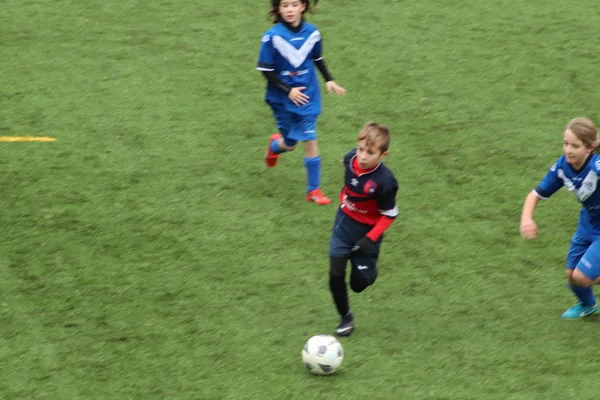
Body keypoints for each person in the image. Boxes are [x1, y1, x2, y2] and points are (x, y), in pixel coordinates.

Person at [256, 0, 347, 205]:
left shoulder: (313, 33)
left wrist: (329, 80)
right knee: (289, 144)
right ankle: (274, 146)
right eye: (285, 5)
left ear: (303, 6)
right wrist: (288, 91)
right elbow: (266, 70)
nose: (289, 9)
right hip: (281, 97)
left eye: (294, 4)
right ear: (278, 9)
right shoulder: (272, 37)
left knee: (309, 136)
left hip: (308, 95)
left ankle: (313, 190)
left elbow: (317, 58)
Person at [520, 117, 600, 318]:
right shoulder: (563, 167)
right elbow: (535, 194)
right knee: (571, 275)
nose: (568, 150)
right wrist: (526, 219)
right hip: (588, 223)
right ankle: (588, 306)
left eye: (575, 145)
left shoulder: (596, 166)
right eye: (566, 144)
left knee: (581, 277)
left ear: (589, 148)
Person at [328, 122, 398, 336]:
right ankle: (345, 318)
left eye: (370, 152)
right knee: (335, 272)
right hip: (343, 223)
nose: (363, 156)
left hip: (367, 233)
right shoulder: (350, 159)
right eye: (360, 149)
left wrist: (370, 239)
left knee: (359, 285)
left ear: (383, 154)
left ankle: (369, 273)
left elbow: (390, 214)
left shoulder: (385, 182)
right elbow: (350, 183)